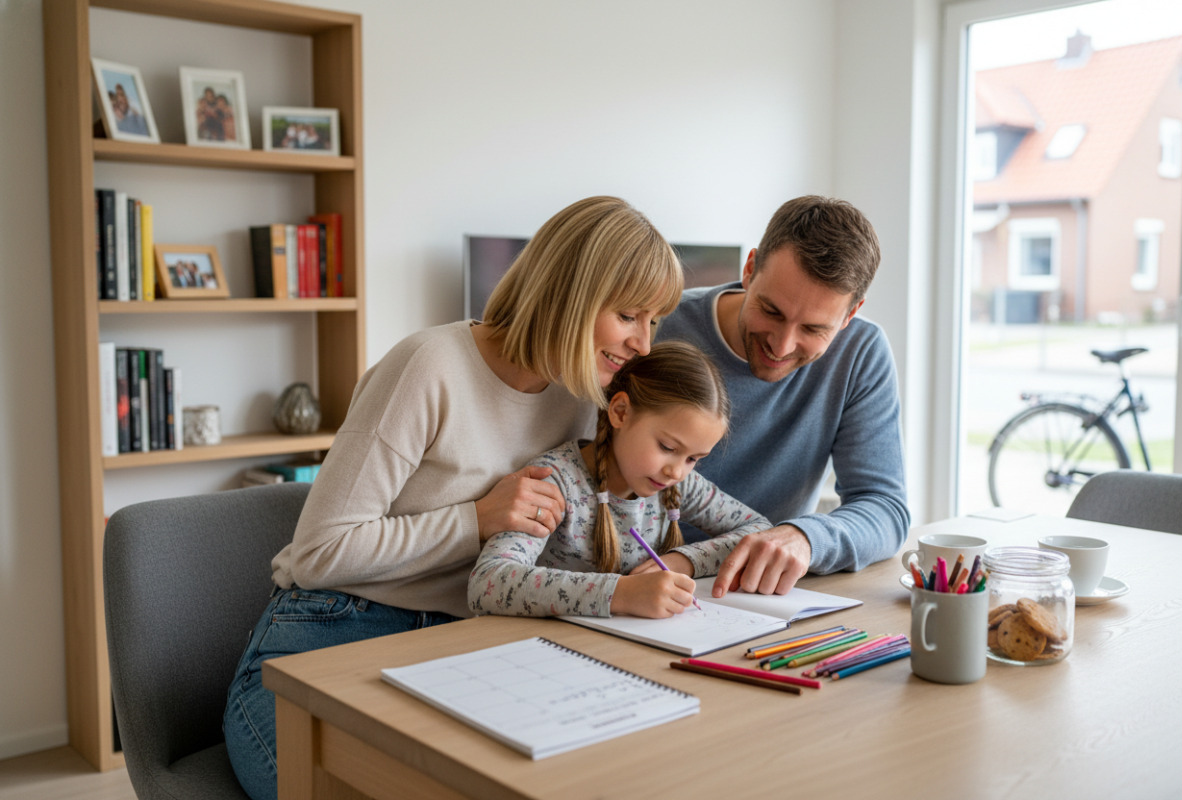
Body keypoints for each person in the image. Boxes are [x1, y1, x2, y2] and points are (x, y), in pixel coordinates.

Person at [223, 195, 683, 800]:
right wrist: (477, 519)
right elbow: (318, 552)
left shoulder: (584, 395)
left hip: (467, 641)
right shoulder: (428, 367)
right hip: (333, 631)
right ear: (571, 295)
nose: (643, 344)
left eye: (654, 321)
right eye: (629, 316)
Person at [656, 195, 909, 599]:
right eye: (771, 311)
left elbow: (884, 508)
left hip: (755, 594)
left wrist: (805, 537)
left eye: (813, 329)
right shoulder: (655, 325)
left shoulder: (861, 353)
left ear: (850, 314)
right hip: (639, 579)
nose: (782, 344)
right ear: (751, 268)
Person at [469, 340, 772, 619]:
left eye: (693, 459)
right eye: (667, 448)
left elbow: (760, 533)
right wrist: (621, 593)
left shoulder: (677, 486)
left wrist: (686, 561)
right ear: (621, 412)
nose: (677, 472)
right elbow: (488, 583)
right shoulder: (556, 482)